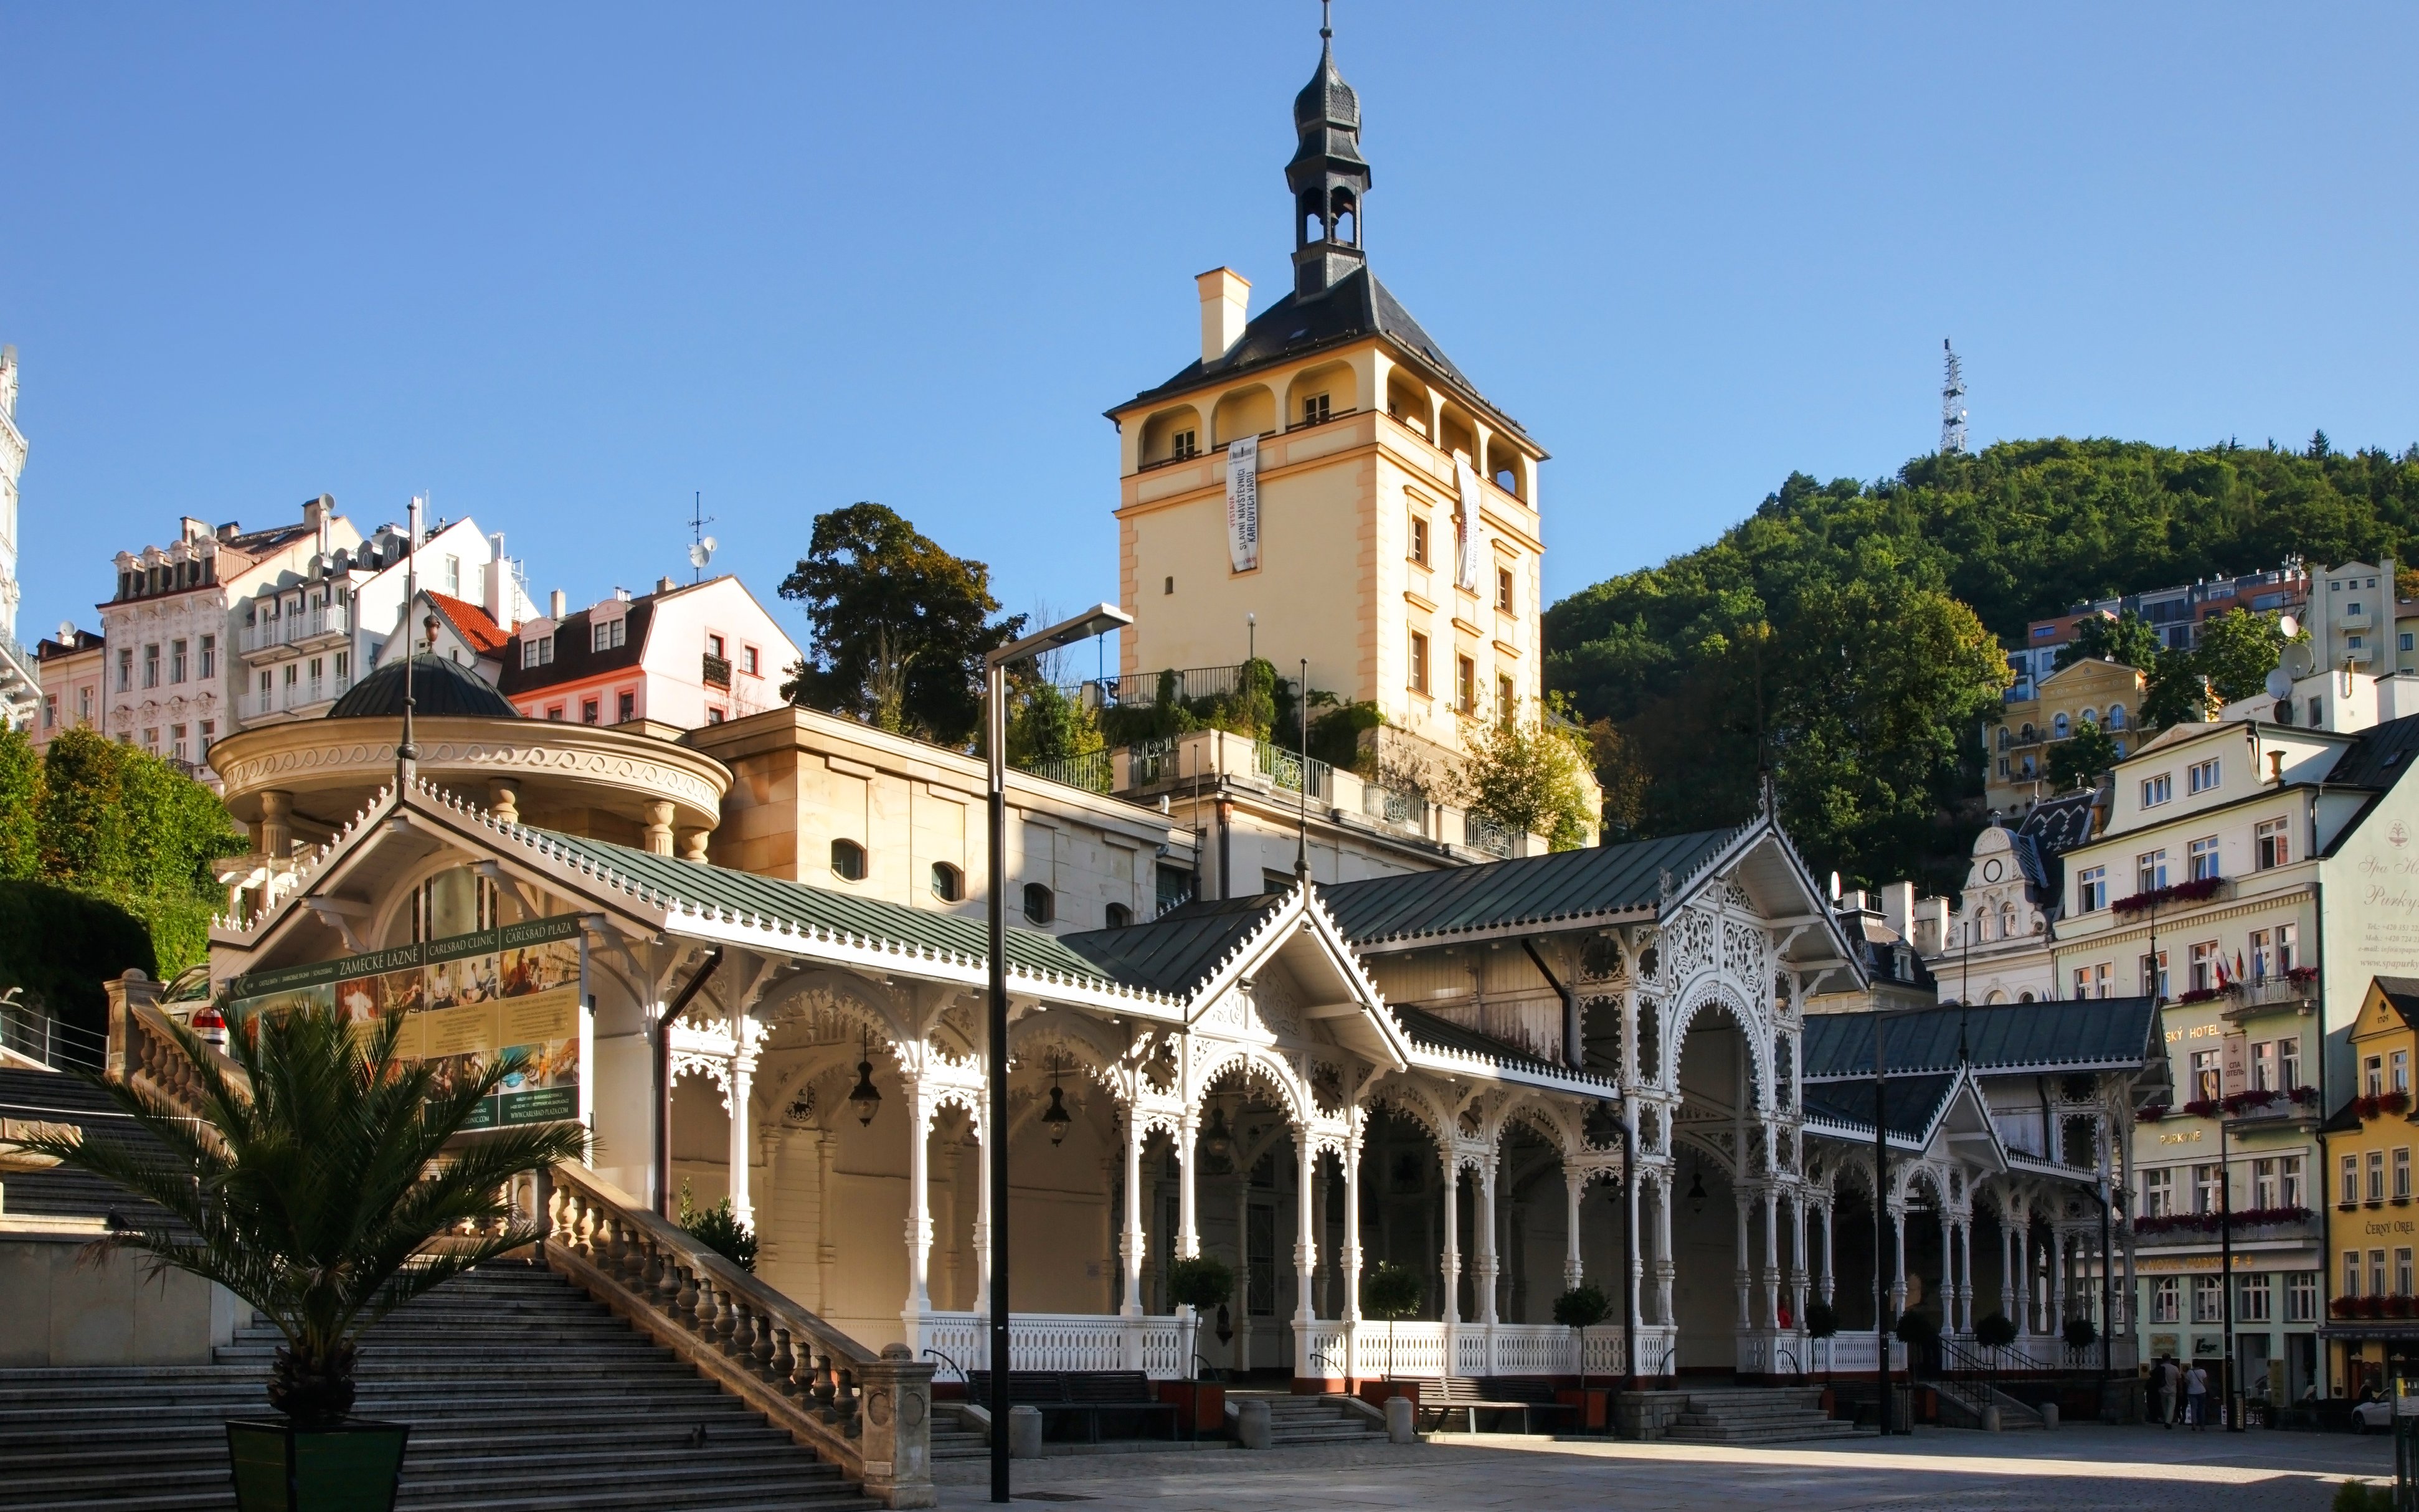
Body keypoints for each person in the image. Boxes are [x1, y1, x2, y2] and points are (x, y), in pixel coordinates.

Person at [2184, 1361, 2209, 1430]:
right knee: (2202, 1408)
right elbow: (2206, 1382)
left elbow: (2187, 1383)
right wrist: (2207, 1390)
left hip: (2192, 1392)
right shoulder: (2203, 1372)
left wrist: (2187, 1390)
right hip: (2202, 1391)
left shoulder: (2189, 1372)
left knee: (2193, 1408)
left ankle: (2194, 1424)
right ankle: (2202, 1425)